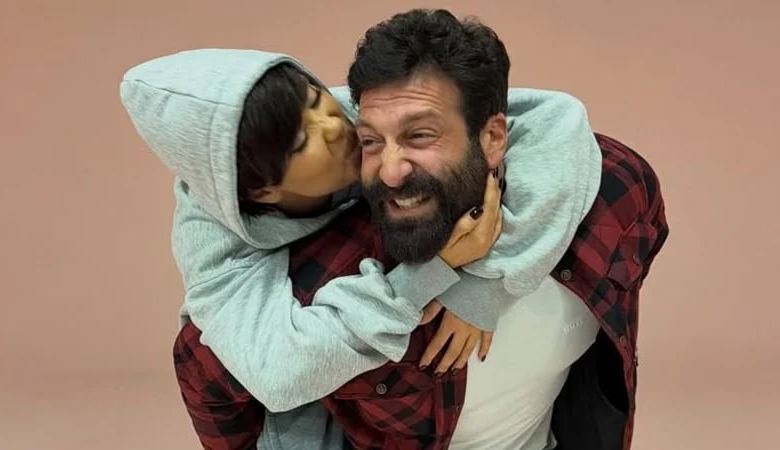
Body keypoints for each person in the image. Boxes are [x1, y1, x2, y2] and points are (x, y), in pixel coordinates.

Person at [119, 14, 601, 450]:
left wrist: (485, 282)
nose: (335, 125)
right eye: (302, 140)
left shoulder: (351, 112)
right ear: (263, 190)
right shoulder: (216, 245)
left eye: (315, 99)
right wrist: (434, 271)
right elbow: (278, 373)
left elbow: (558, 117)